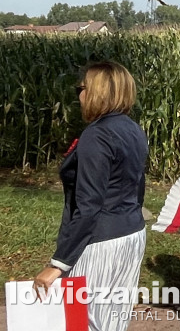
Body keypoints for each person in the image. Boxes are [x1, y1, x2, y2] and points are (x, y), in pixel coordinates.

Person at [32, 61, 148, 331]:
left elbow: (89, 206)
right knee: (112, 321)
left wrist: (58, 264)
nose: (79, 95)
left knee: (86, 321)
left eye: (81, 88)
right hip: (132, 234)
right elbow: (137, 188)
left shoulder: (97, 135)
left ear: (97, 92)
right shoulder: (134, 130)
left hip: (101, 240)